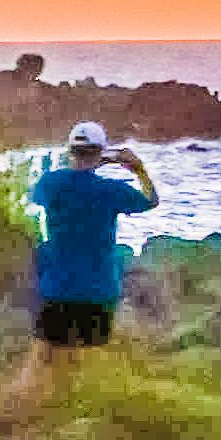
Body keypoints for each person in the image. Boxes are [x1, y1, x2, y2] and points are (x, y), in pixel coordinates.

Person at [26, 121, 155, 349]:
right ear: (100, 151)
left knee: (43, 361)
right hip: (99, 289)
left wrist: (92, 162)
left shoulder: (50, 183)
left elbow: (40, 194)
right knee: (89, 361)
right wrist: (139, 169)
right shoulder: (112, 190)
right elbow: (151, 200)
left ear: (70, 150)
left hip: (58, 287)